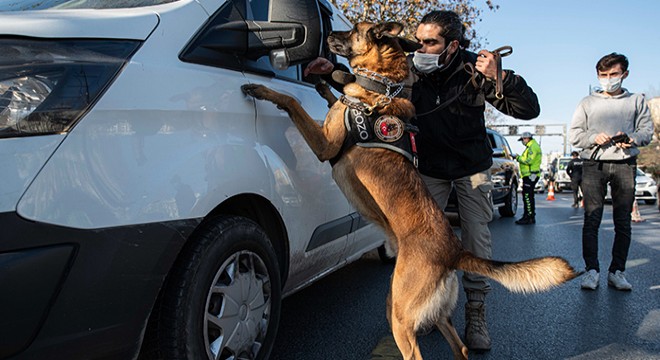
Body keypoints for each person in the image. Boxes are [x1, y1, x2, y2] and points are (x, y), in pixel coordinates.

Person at [304, 10, 540, 351]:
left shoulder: (476, 68)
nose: (421, 48)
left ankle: (475, 312)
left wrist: (501, 78)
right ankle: (423, 303)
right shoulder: (413, 69)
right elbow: (372, 88)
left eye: (431, 43)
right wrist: (336, 74)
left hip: (471, 168)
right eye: (419, 40)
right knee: (417, 241)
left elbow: (529, 109)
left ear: (452, 45)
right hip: (429, 166)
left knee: (475, 239)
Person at [568, 52, 653, 291]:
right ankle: (591, 270)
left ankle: (617, 271)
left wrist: (633, 139)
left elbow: (647, 132)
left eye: (613, 74)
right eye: (603, 75)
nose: (608, 79)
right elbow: (574, 135)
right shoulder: (587, 103)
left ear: (624, 74)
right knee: (591, 218)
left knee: (623, 221)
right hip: (594, 164)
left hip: (625, 163)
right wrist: (593, 137)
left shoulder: (637, 101)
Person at [515, 132, 542, 224]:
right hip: (529, 175)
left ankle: (529, 217)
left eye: (523, 139)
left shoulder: (533, 147)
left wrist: (518, 158)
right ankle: (528, 215)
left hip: (531, 175)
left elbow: (529, 161)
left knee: (527, 196)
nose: (522, 142)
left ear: (527, 138)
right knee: (527, 196)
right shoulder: (531, 147)